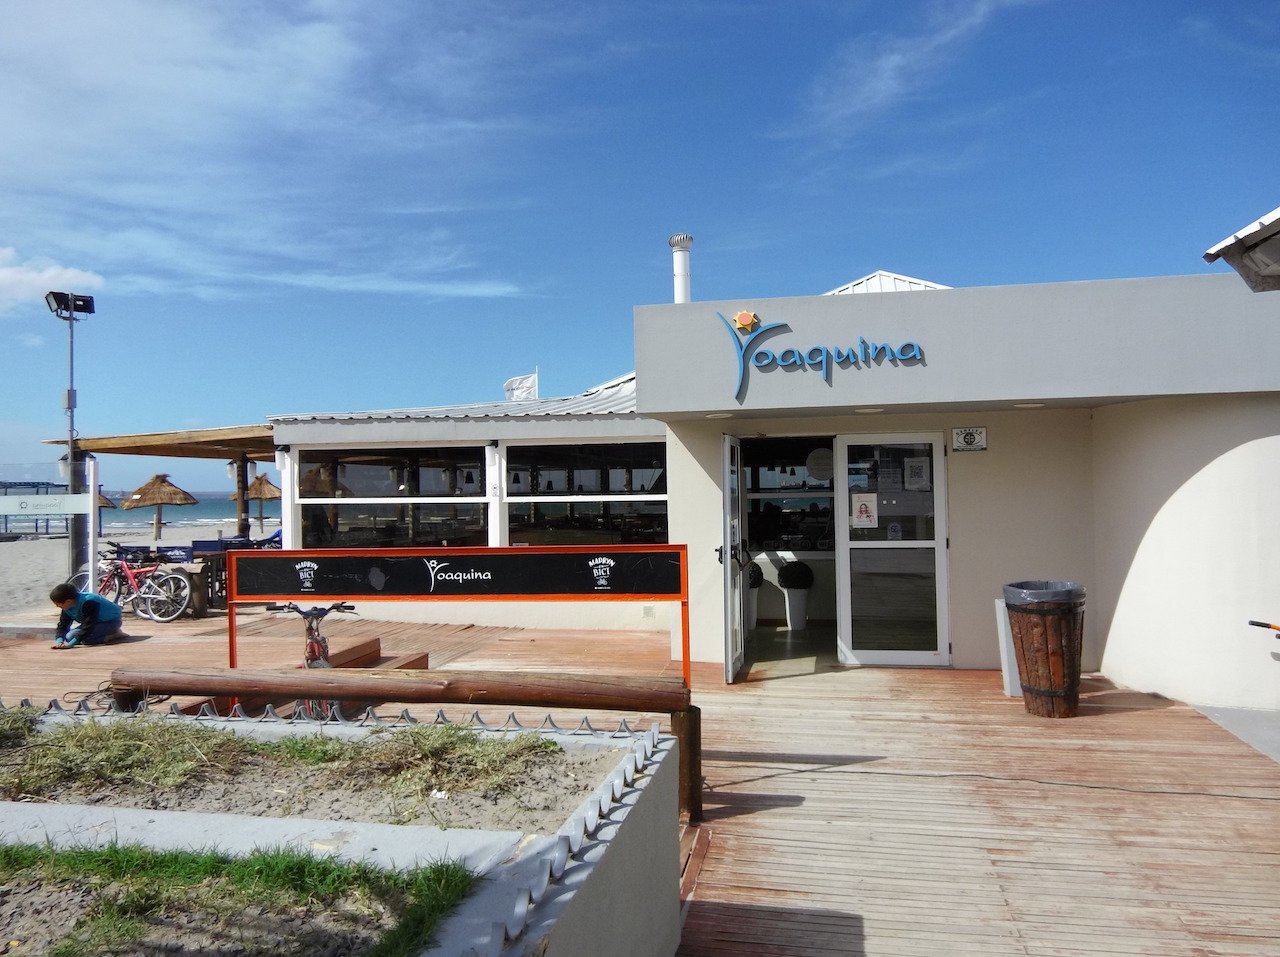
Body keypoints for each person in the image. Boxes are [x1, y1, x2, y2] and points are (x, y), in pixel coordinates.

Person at [48, 582, 125, 649]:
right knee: (69, 637)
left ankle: (113, 634)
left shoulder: (88, 602)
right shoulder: (67, 607)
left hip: (111, 621)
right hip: (95, 623)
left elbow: (89, 625)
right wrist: (59, 641)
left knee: (87, 640)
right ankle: (103, 633)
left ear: (68, 601)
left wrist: (71, 644)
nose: (57, 606)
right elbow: (63, 625)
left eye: (58, 604)